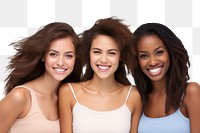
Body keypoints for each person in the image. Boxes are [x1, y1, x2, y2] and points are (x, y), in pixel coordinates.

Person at [59, 17, 142, 133]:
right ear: (89, 53)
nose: (103, 60)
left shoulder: (133, 95)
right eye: (97, 52)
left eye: (111, 53)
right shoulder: (69, 92)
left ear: (121, 56)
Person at [0, 22, 81, 133]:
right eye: (53, 54)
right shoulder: (21, 96)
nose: (61, 62)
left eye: (68, 56)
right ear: (43, 56)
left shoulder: (69, 98)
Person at [131, 23, 200, 133]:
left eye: (159, 52)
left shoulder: (191, 92)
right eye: (144, 56)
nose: (152, 62)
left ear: (170, 53)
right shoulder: (138, 98)